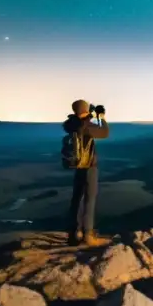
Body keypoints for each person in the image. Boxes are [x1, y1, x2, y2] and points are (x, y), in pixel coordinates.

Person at [62, 99, 111, 246]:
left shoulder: (70, 125)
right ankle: (88, 235)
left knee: (76, 199)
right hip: (89, 166)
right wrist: (100, 116)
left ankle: (73, 234)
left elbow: (76, 122)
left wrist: (88, 114)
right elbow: (105, 132)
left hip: (77, 166)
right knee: (89, 200)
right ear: (85, 110)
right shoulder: (86, 126)